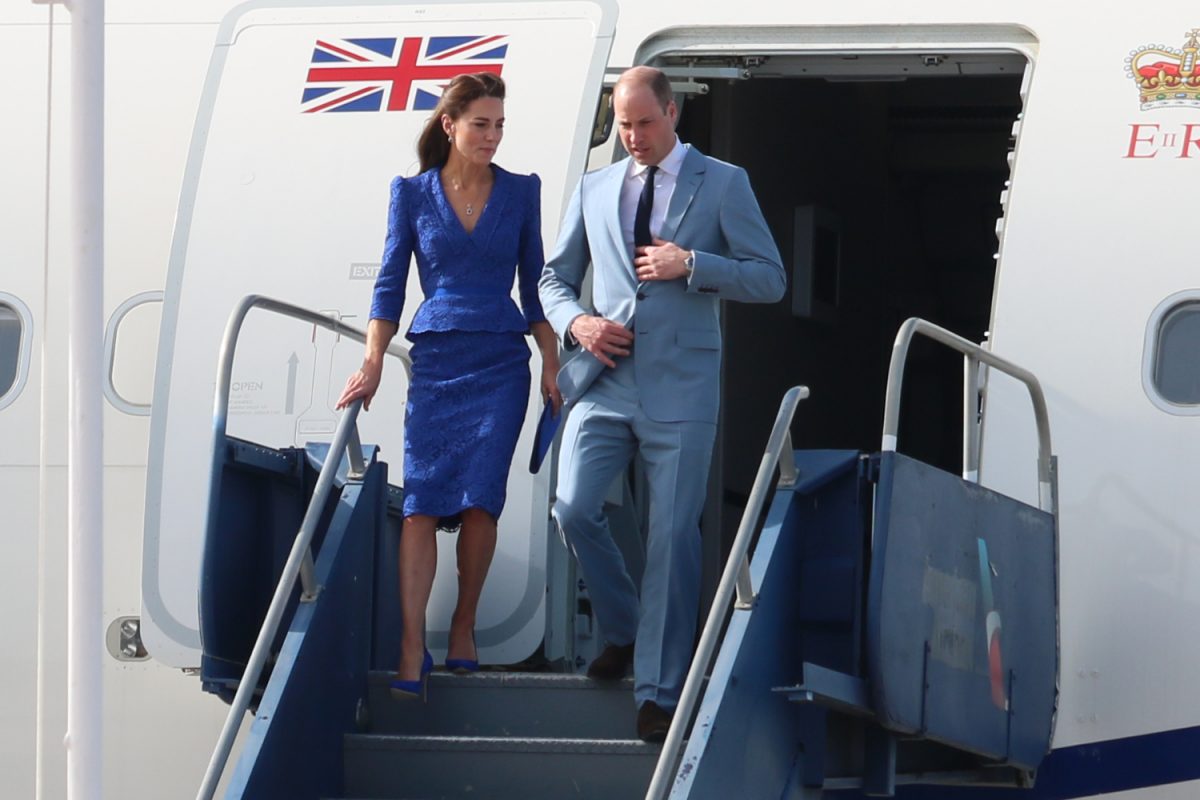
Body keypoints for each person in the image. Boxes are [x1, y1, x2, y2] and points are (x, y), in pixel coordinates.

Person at [538, 66, 786, 741]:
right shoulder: (594, 187)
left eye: (645, 123)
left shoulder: (724, 182)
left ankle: (658, 689)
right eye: (622, 125)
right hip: (606, 378)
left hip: (682, 388)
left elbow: (770, 278)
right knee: (574, 506)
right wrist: (577, 324)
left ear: (673, 114)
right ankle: (621, 627)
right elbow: (553, 279)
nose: (633, 137)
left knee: (672, 537)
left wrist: (695, 266)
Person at [337, 72, 561, 700]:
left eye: (498, 125)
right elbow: (389, 285)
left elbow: (535, 285)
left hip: (499, 360)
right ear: (450, 125)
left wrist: (550, 360)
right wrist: (375, 360)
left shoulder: (521, 192)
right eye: (480, 124)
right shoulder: (411, 194)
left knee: (481, 496)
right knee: (422, 502)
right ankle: (414, 644)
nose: (491, 136)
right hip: (436, 359)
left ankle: (464, 626)